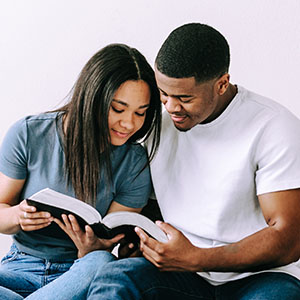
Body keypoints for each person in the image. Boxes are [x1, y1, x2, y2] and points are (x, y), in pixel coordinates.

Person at [60, 23, 300, 299]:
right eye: (163, 93)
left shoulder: (274, 127)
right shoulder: (158, 124)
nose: (171, 107)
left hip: (260, 278)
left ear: (222, 84)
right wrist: (130, 240)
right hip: (179, 271)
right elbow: (148, 205)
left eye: (184, 98)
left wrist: (197, 257)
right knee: (116, 277)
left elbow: (288, 239)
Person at [0, 43, 161, 299]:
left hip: (79, 271)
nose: (129, 123)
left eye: (140, 113)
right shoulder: (28, 134)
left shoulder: (134, 161)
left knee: (101, 263)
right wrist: (18, 216)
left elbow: (110, 234)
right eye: (118, 109)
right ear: (93, 97)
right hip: (19, 266)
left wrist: (93, 248)